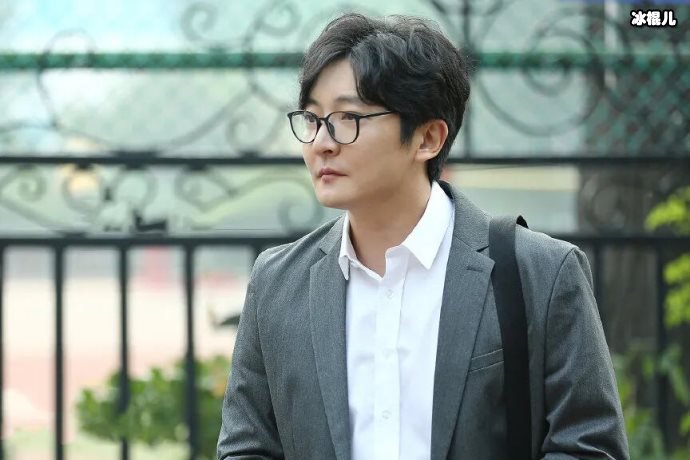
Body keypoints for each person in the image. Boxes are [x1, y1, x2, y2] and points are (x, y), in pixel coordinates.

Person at [217, 12, 629, 460]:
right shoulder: (277, 283)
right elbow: (247, 448)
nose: (321, 143)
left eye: (348, 118)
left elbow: (589, 446)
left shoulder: (542, 273)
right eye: (313, 119)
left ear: (428, 138)